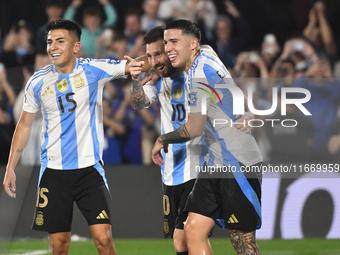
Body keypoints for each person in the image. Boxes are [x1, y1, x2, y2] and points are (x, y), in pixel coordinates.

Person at [2, 19, 149, 255]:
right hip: (53, 173)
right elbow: (24, 125)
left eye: (60, 41)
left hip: (89, 170)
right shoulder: (37, 81)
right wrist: (11, 167)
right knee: (59, 246)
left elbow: (129, 65)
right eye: (50, 42)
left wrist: (146, 64)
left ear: (76, 46)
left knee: (104, 240)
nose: (53, 47)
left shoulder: (93, 69)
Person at [127, 25, 255, 254]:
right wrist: (138, 75)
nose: (156, 59)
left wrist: (247, 110)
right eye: (153, 54)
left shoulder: (198, 68)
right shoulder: (161, 79)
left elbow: (226, 90)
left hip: (208, 161)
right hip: (177, 168)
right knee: (185, 236)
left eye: (164, 50)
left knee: (237, 239)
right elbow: (138, 101)